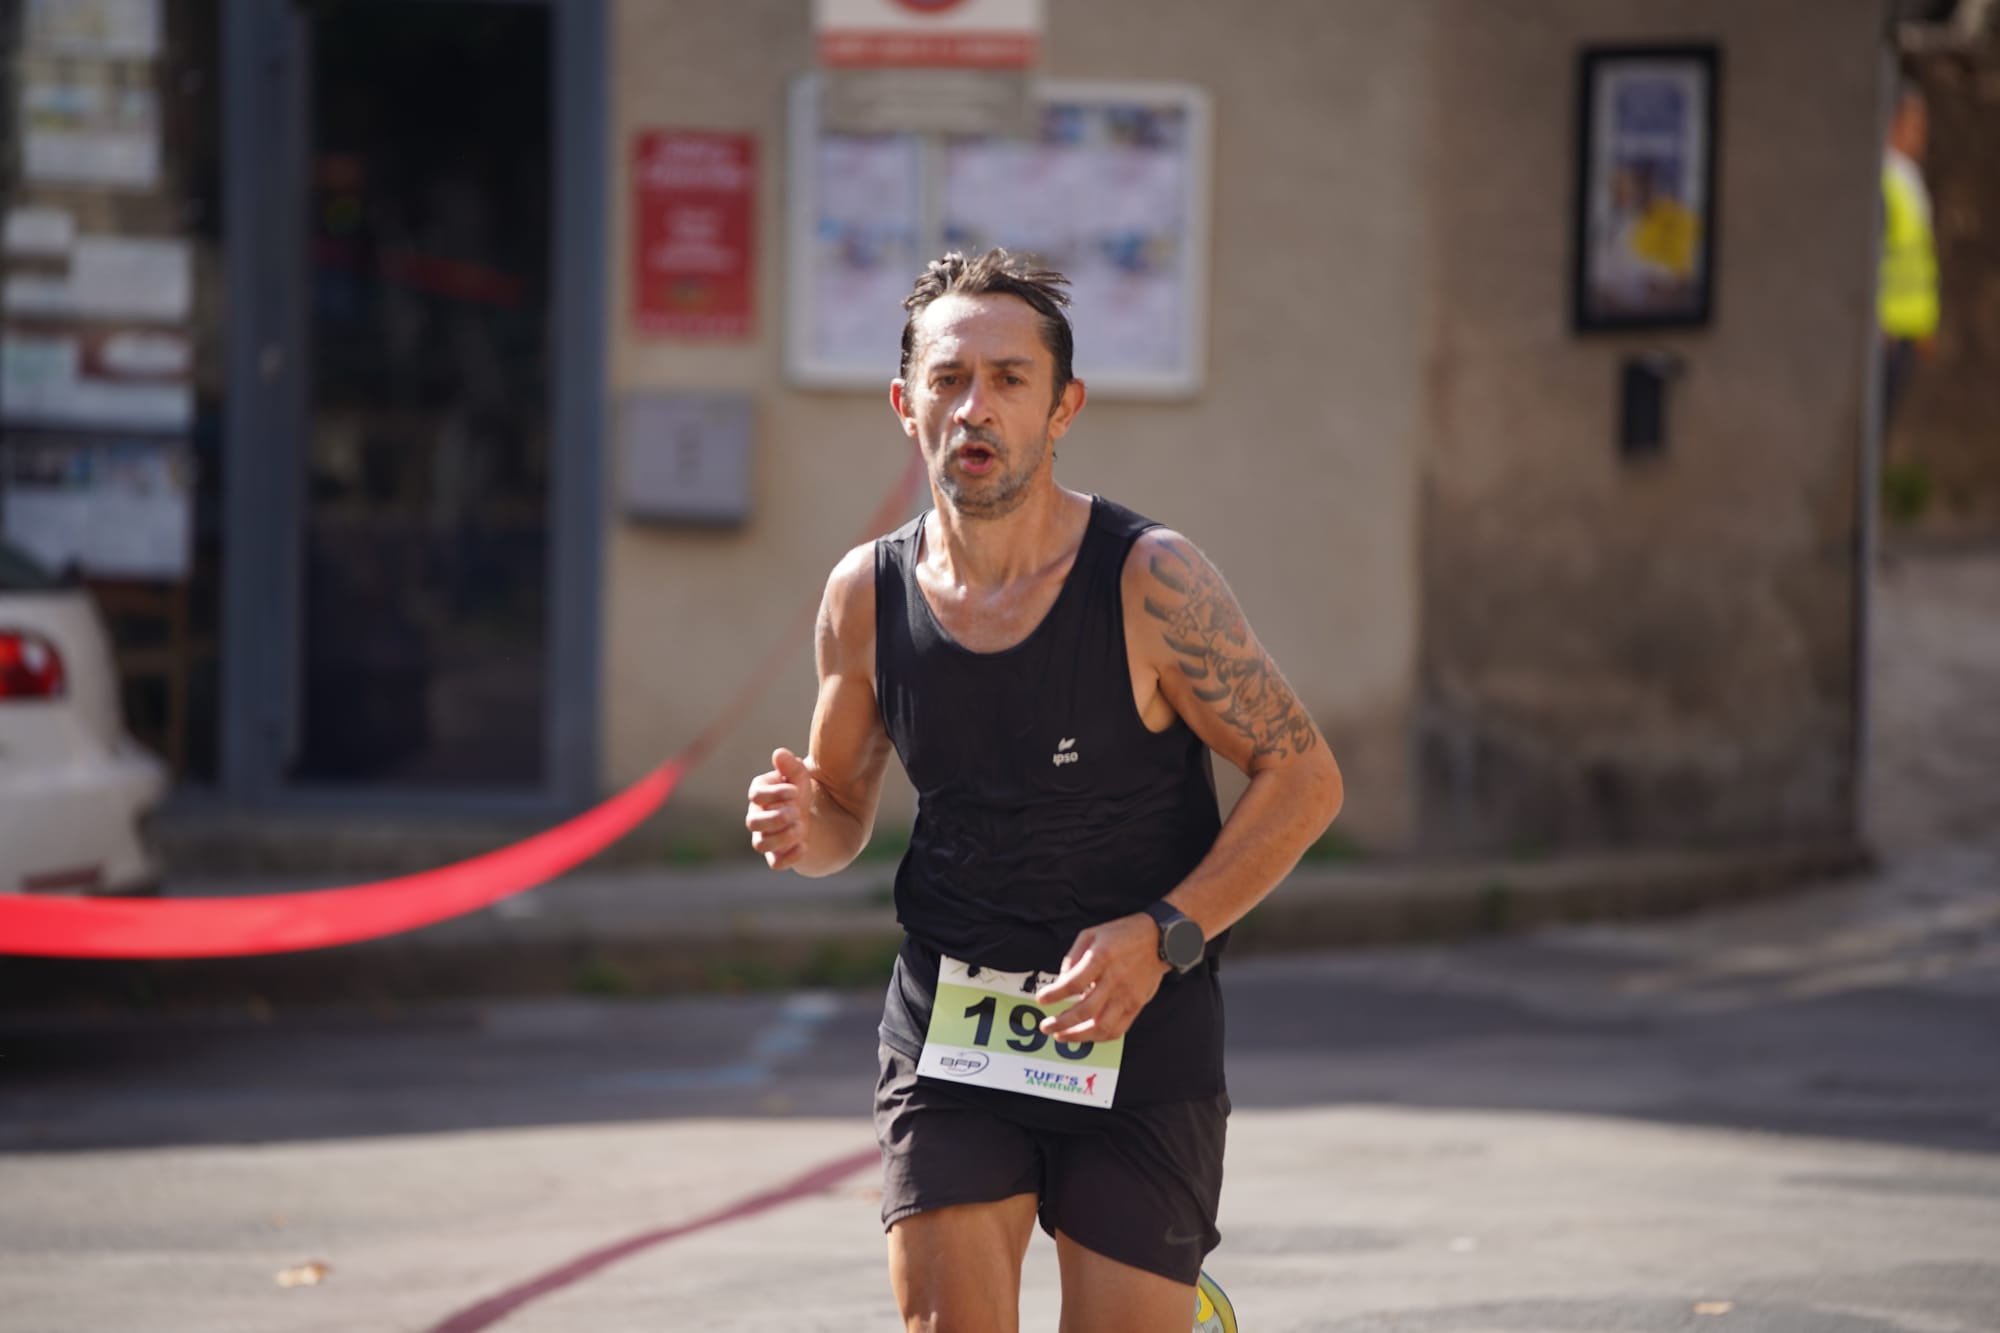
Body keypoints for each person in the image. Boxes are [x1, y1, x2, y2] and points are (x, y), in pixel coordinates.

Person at [745, 248, 1344, 1332]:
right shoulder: (864, 595)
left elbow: (1304, 778)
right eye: (947, 378)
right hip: (953, 1026)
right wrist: (804, 824)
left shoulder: (1151, 580)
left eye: (1009, 379)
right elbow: (840, 817)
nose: (975, 406)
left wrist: (1163, 933)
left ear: (1063, 406)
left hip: (1139, 1023)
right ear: (906, 405)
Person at [1880, 77, 1941, 429]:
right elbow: (1878, 256)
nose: (1921, 133)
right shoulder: (1885, 178)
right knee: (1874, 420)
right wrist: (1878, 319)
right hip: (1887, 327)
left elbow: (1919, 259)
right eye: (1915, 123)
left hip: (1906, 325)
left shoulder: (1909, 178)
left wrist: (1924, 324)